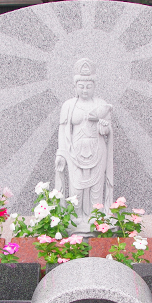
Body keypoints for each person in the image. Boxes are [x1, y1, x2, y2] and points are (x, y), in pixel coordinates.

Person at [55, 58, 114, 225]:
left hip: (97, 149)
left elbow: (107, 132)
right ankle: (75, 220)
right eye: (81, 86)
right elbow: (63, 130)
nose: (85, 90)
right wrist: (61, 153)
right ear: (75, 87)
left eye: (89, 86)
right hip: (75, 151)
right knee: (76, 190)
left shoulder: (101, 104)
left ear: (94, 86)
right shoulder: (68, 106)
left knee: (96, 189)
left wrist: (104, 127)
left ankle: (96, 220)